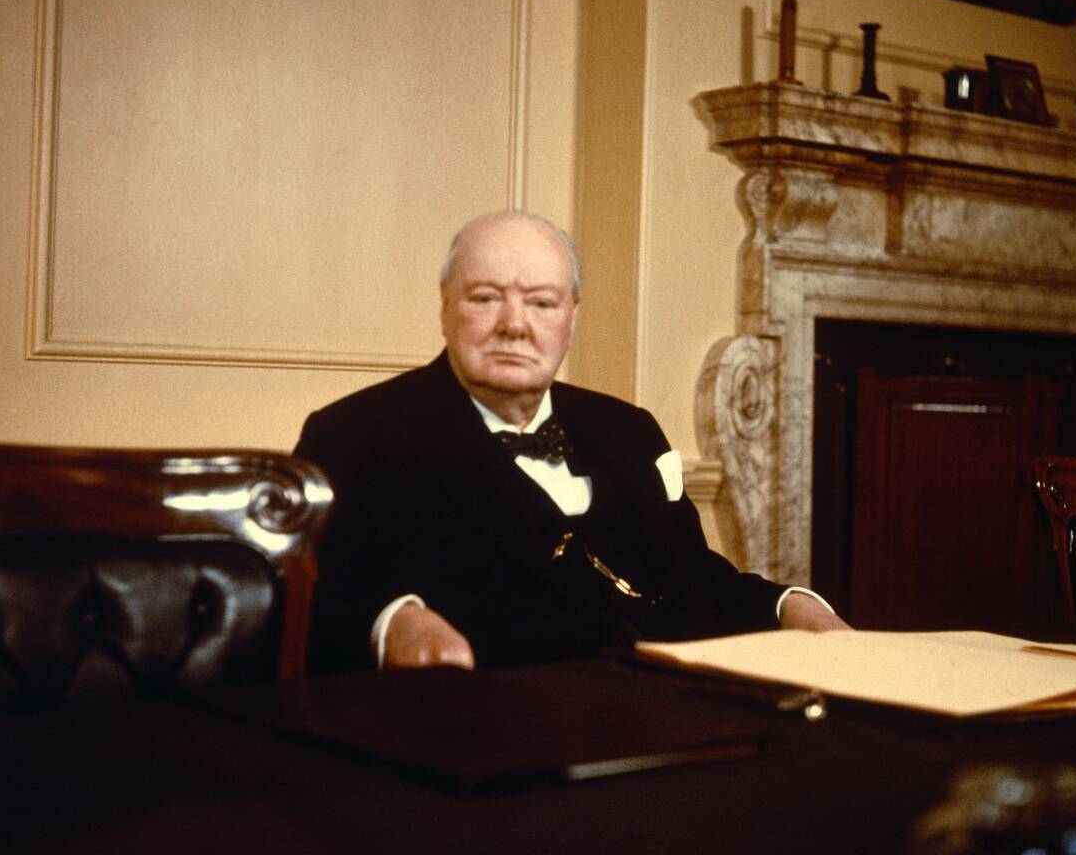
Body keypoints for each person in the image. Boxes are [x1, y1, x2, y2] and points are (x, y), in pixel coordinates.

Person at [295, 210, 846, 672]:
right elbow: (320, 606)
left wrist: (789, 605)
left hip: (678, 718)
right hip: (497, 748)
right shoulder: (354, 434)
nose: (515, 325)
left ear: (572, 317)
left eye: (542, 303)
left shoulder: (629, 430)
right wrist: (397, 623)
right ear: (445, 306)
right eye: (486, 298)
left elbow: (691, 576)